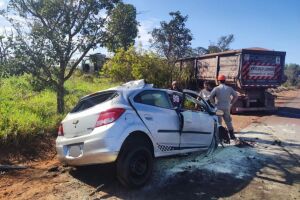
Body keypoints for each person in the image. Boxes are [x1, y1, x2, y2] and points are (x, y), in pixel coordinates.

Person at [210, 75, 238, 140]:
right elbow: (236, 96)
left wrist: (213, 104)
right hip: (227, 107)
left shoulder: (216, 88)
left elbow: (211, 97)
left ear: (219, 81)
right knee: (228, 121)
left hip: (219, 107)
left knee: (219, 122)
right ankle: (232, 135)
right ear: (225, 80)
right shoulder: (229, 88)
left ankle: (219, 137)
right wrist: (231, 103)